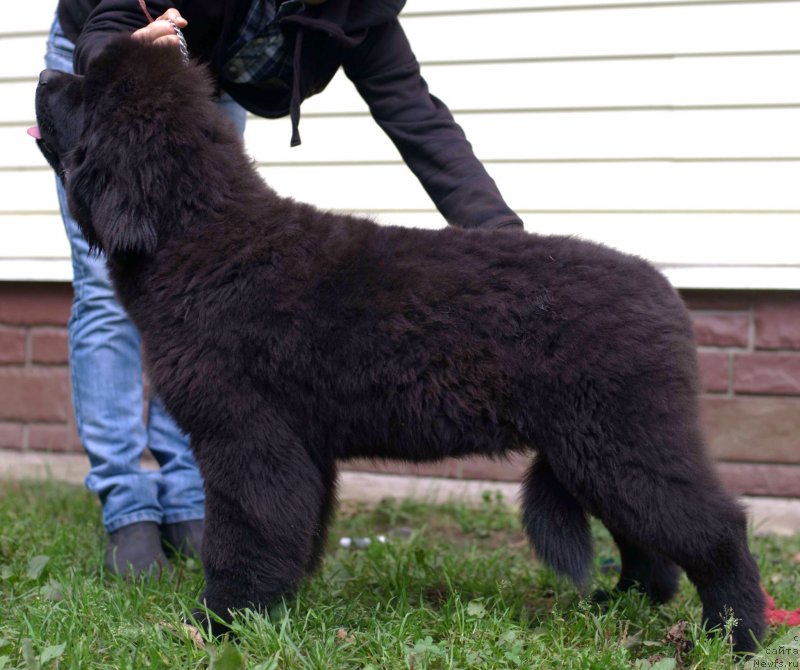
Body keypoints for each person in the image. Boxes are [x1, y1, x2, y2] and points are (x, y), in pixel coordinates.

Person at [48, 0, 523, 577]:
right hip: (106, 58)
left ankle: (187, 499)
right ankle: (127, 507)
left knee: (198, 314)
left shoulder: (356, 11)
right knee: (108, 285)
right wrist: (116, 59)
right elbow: (105, 21)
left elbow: (421, 122)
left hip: (198, 76)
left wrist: (512, 248)